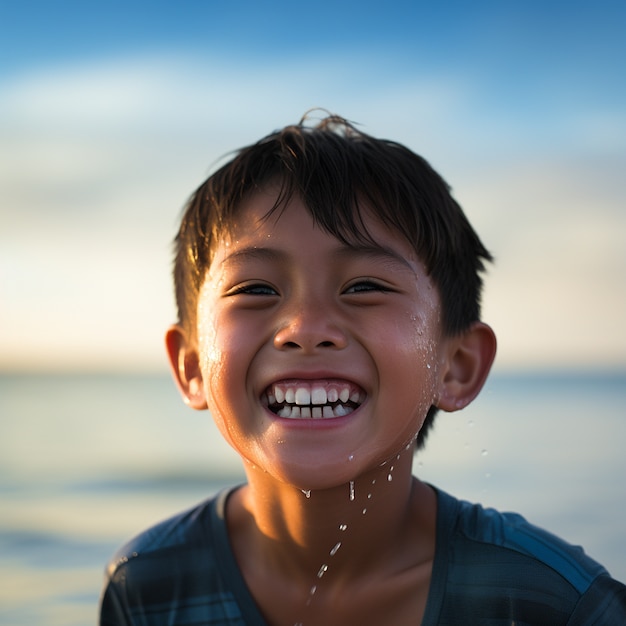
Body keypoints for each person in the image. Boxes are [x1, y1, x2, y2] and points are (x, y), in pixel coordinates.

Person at [99, 113, 626, 625]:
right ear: (191, 365)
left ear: (457, 365)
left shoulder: (553, 603)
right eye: (256, 289)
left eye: (364, 287)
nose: (305, 327)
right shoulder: (147, 588)